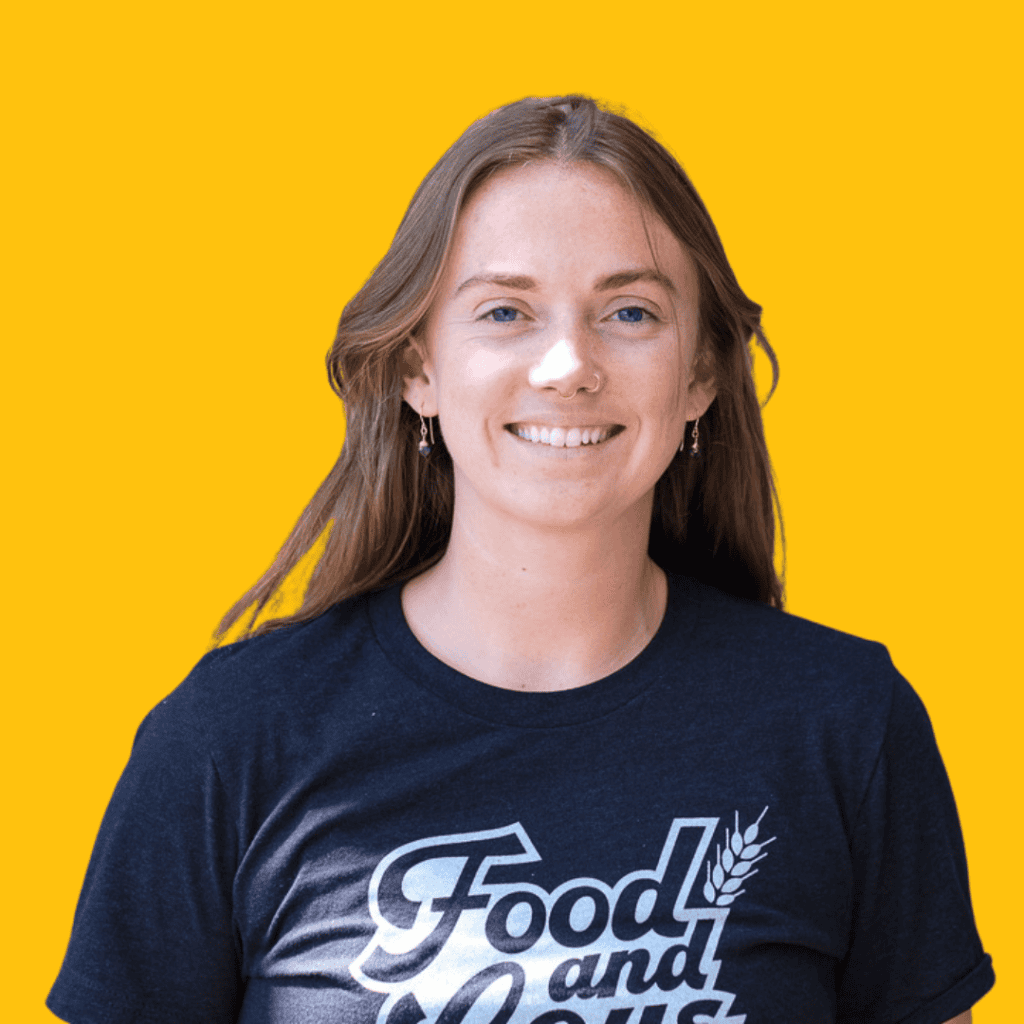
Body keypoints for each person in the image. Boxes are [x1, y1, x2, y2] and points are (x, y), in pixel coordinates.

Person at [48, 95, 993, 1024]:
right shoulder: (233, 739)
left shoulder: (846, 724)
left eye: (629, 313)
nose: (567, 365)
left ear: (701, 375)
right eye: (505, 313)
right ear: (419, 367)